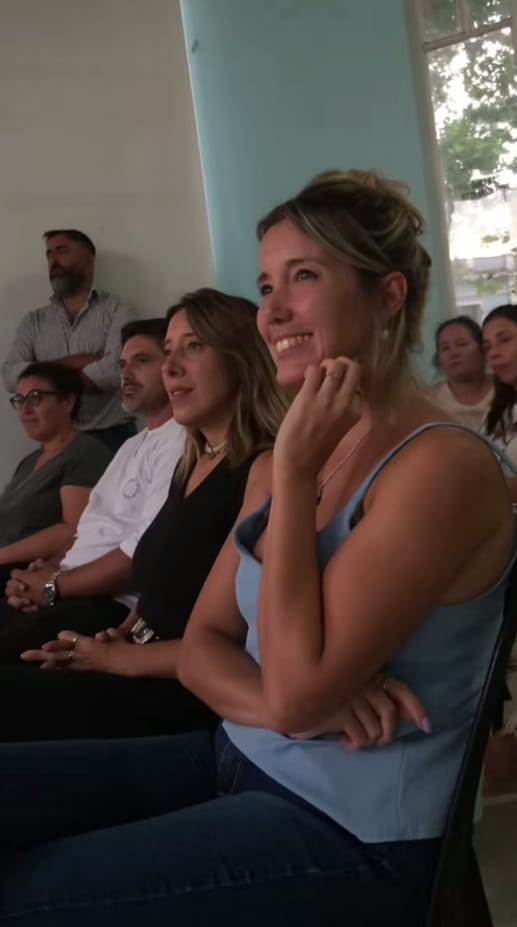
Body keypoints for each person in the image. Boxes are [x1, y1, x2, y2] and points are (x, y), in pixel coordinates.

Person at [0, 170, 513, 927]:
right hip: (235, 754)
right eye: (267, 284)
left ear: (388, 295)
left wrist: (297, 481)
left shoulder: (438, 465)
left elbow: (295, 690)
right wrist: (288, 704)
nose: (272, 310)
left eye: (303, 277)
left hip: (351, 827)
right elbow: (206, 646)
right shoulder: (277, 463)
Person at [0, 288, 287, 741]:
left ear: (242, 359)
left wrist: (115, 655)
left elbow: (231, 638)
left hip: (182, 691)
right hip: (131, 654)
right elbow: (157, 594)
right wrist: (115, 637)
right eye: (168, 351)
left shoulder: (263, 469)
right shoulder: (194, 462)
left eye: (194, 346)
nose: (171, 367)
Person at [0, 319, 185, 660]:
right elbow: (84, 532)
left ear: (174, 367)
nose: (126, 374)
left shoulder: (181, 441)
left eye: (142, 361)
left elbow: (146, 552)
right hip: (67, 588)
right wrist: (35, 576)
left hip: (105, 604)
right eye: (122, 364)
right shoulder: (130, 445)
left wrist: (52, 586)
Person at [2, 229, 136, 453]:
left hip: (113, 438)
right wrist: (76, 362)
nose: (53, 261)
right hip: (55, 441)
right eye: (49, 255)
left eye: (62, 251)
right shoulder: (33, 321)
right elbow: (10, 376)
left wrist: (40, 380)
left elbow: (117, 371)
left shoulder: (118, 311)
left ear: (89, 260)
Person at [0, 361, 110, 588]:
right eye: (20, 400)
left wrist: (2, 556)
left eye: (35, 397)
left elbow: (73, 531)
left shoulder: (85, 453)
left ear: (68, 402)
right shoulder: (28, 462)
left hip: (28, 573)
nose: (25, 411)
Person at [427, 315, 493, 430]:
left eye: (462, 344)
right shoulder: (428, 401)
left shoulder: (507, 390)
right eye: (445, 348)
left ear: (483, 349)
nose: (454, 353)